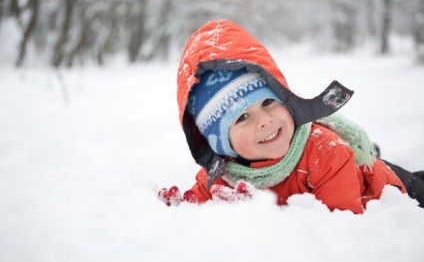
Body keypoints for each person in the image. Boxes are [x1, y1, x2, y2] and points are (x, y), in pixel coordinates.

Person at [158, 19, 424, 213]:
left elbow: (340, 228)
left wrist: (264, 223)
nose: (264, 120)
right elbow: (198, 206)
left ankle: (371, 156)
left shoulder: (325, 153)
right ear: (220, 144)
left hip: (390, 188)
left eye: (268, 102)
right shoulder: (221, 175)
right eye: (241, 118)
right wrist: (182, 208)